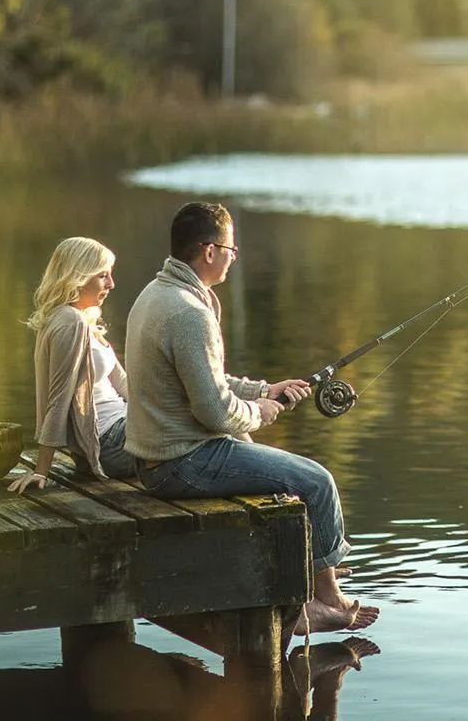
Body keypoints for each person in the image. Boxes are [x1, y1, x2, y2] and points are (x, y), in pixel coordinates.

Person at [124, 201, 379, 634]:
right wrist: (258, 413)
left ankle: (315, 572)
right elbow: (214, 411)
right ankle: (326, 600)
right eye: (231, 249)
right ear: (209, 251)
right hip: (180, 464)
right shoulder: (189, 313)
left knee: (283, 473)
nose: (233, 257)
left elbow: (205, 380)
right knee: (317, 482)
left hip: (156, 460)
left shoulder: (156, 294)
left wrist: (264, 390)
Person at [9, 237, 139, 494]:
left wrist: (159, 409)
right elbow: (58, 399)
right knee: (198, 423)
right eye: (103, 276)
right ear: (78, 276)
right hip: (109, 442)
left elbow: (122, 383)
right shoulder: (70, 322)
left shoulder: (83, 319)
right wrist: (41, 470)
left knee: (195, 415)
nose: (111, 284)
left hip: (122, 428)